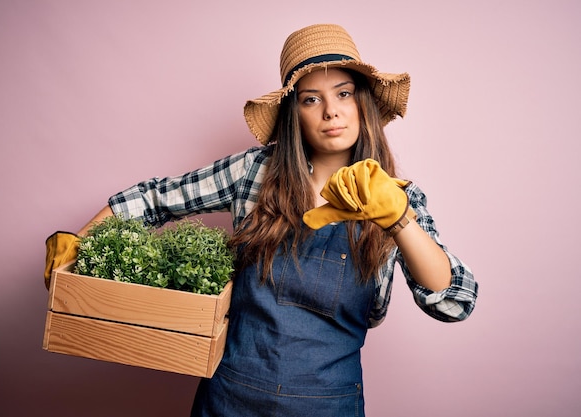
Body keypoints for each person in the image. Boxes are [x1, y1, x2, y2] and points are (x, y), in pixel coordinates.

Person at [44, 23, 478, 417]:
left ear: (362, 103)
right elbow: (154, 198)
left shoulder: (398, 197)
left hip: (331, 405)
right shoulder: (254, 171)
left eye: (344, 94)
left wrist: (400, 220)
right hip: (230, 399)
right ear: (295, 114)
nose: (332, 111)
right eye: (312, 99)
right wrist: (79, 240)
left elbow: (453, 301)